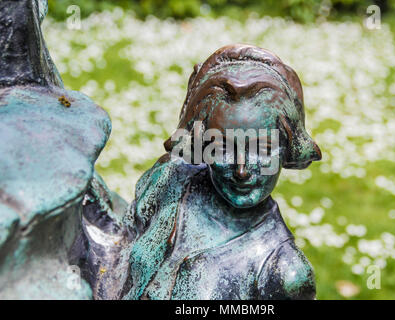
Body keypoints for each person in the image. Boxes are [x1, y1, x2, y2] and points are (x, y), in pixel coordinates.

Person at [118, 44, 322, 300]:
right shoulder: (169, 180)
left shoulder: (285, 273)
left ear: (287, 146)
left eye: (262, 147)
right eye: (222, 145)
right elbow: (117, 247)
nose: (242, 170)